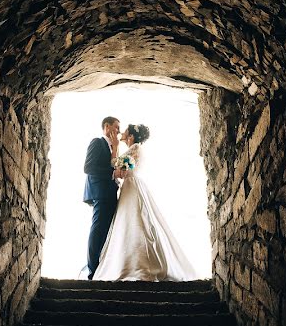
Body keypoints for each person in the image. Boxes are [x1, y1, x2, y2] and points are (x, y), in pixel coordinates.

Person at [92, 123, 201, 281]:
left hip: (132, 187)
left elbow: (114, 164)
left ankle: (142, 265)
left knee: (137, 221)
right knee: (130, 223)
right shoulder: (134, 148)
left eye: (124, 131)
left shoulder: (135, 148)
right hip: (128, 187)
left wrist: (115, 148)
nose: (121, 132)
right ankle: (131, 262)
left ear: (131, 136)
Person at [82, 116, 126, 280]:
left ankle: (102, 268)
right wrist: (112, 173)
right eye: (116, 127)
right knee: (98, 229)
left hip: (110, 192)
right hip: (100, 192)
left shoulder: (113, 147)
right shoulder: (97, 142)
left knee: (107, 231)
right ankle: (92, 270)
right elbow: (89, 167)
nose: (119, 132)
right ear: (106, 126)